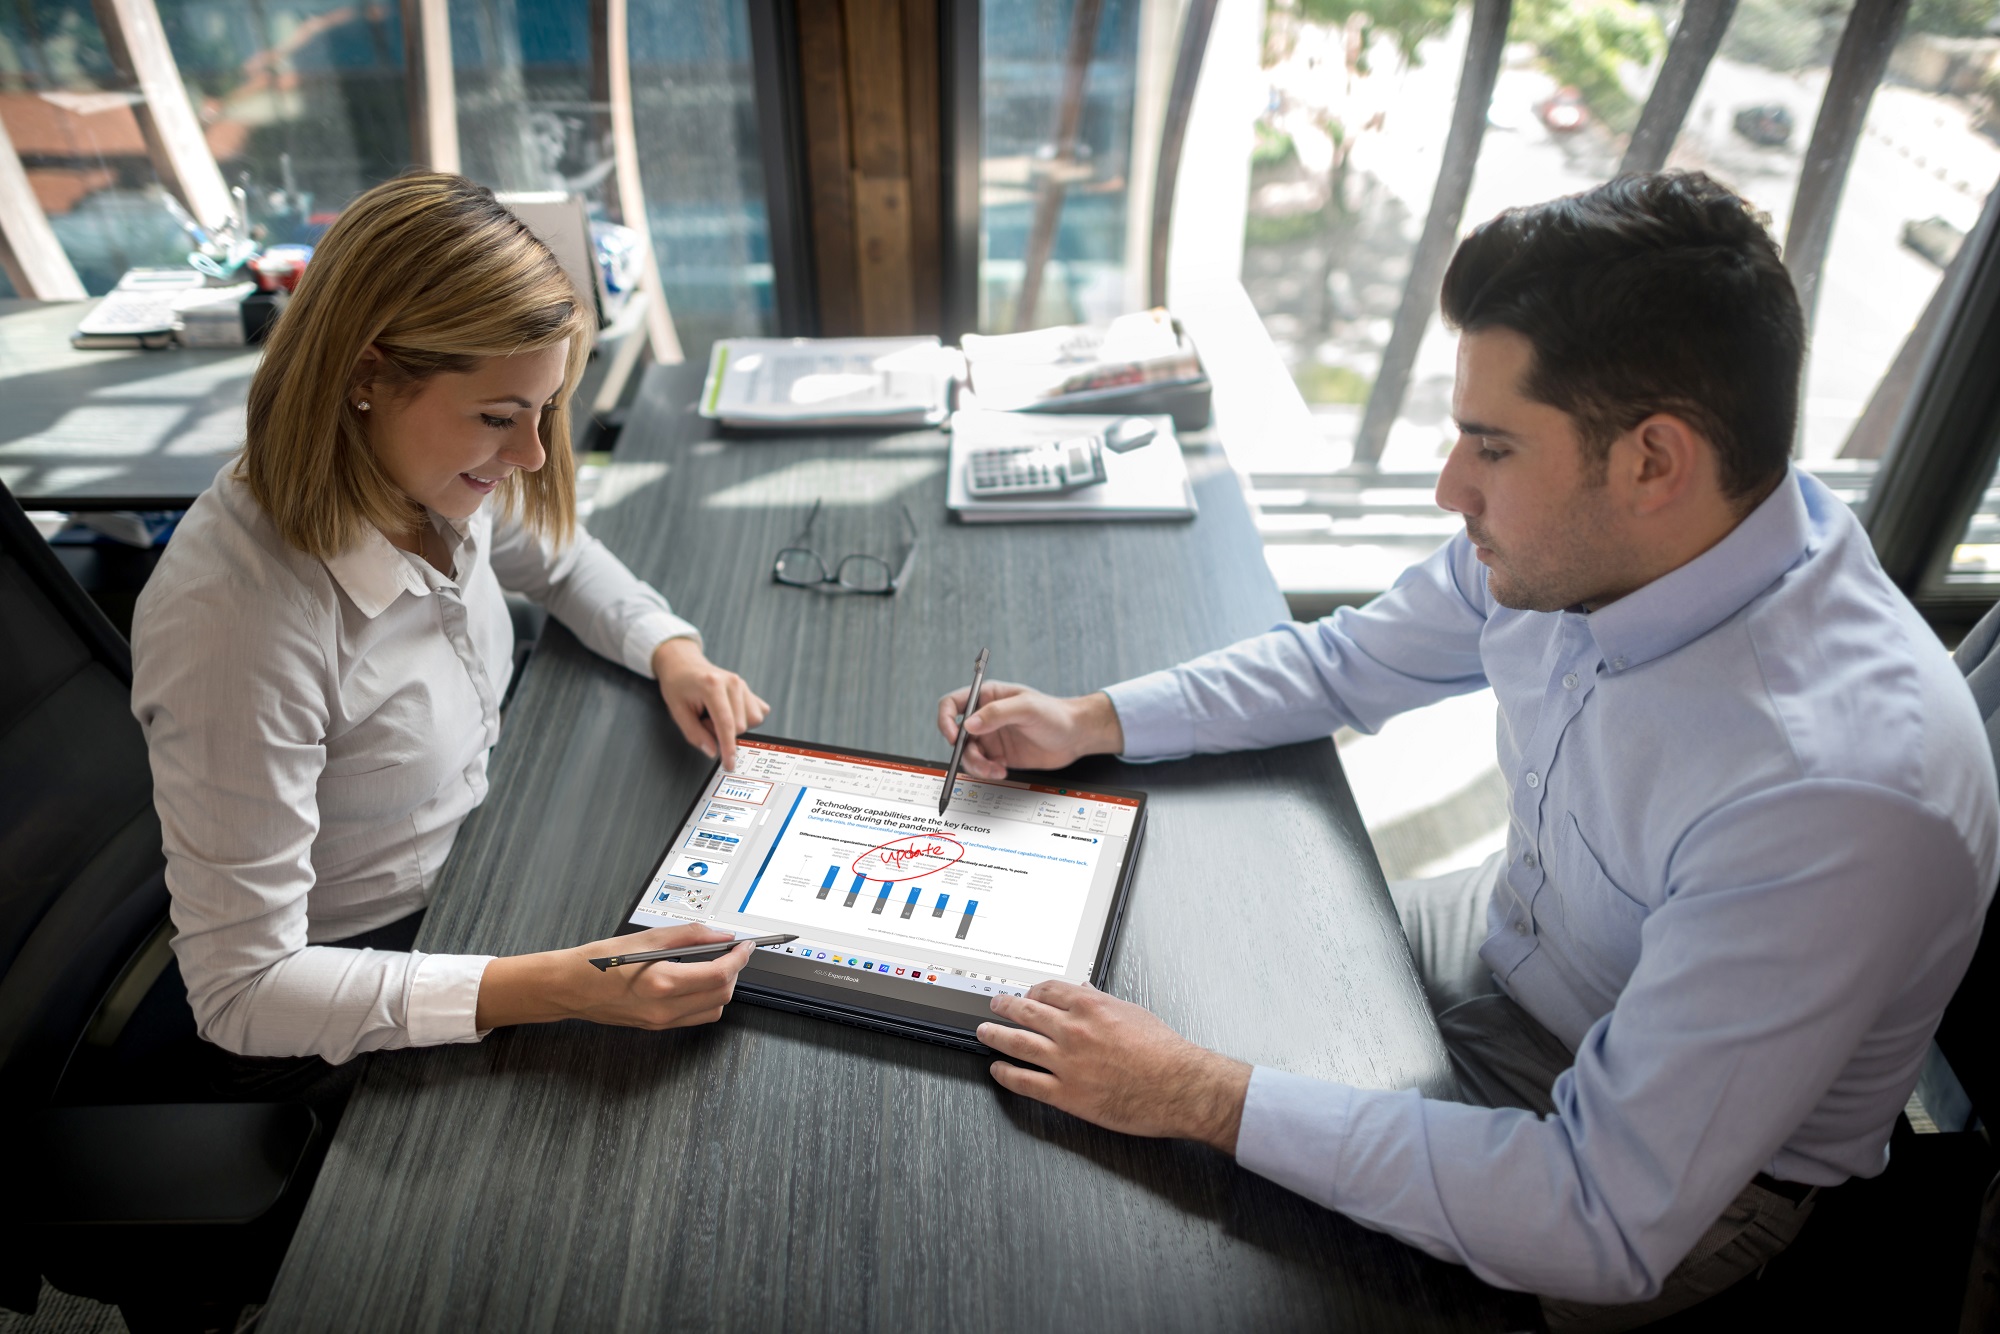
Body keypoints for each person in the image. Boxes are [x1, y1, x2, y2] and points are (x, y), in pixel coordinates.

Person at [933, 172, 1999, 1329]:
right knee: (1158, 959)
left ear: (1652, 461)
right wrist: (1092, 718)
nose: (1449, 488)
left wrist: (1202, 1094)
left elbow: (1596, 1211)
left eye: (1488, 447)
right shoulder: (1594, 541)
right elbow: (1343, 661)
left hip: (1668, 1183)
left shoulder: (1831, 792)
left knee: (1182, 1230)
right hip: (1520, 941)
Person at [130, 174, 765, 1095]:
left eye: (544, 410)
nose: (532, 456)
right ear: (365, 375)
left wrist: (671, 648)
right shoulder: (235, 623)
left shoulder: (418, 474)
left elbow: (557, 557)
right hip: (360, 978)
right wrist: (557, 988)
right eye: (499, 418)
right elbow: (243, 992)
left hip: (482, 867)